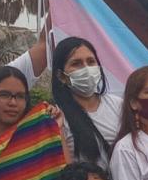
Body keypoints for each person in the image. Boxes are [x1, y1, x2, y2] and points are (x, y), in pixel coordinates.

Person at [51, 36, 124, 171]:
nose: (86, 69)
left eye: (91, 62)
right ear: (61, 76)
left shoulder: (118, 105)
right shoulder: (57, 116)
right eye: (76, 63)